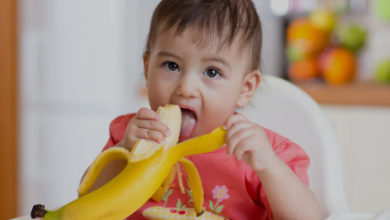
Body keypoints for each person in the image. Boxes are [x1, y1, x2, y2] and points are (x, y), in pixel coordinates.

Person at [81, 0, 320, 219]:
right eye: (171, 65)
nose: (186, 88)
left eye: (212, 72)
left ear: (245, 88)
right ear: (147, 67)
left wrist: (269, 167)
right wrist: (124, 152)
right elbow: (87, 201)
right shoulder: (130, 134)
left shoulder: (261, 153)